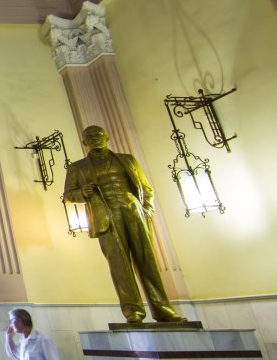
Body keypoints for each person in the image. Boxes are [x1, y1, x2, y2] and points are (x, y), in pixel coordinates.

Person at [63, 125, 188, 324]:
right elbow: (68, 194)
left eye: (99, 135)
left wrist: (146, 210)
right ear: (84, 142)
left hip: (132, 210)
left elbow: (146, 189)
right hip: (106, 216)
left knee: (147, 261)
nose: (95, 139)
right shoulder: (77, 168)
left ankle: (162, 309)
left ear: (107, 137)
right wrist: (83, 193)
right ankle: (133, 310)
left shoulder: (127, 160)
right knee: (119, 266)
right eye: (90, 137)